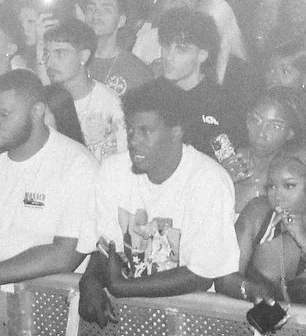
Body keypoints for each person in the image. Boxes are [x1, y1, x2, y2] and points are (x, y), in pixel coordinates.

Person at [79, 78, 242, 323]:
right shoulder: (113, 170)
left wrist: (121, 287)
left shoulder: (208, 180)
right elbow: (106, 247)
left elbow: (201, 274)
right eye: (131, 129)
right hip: (128, 314)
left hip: (191, 317)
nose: (133, 140)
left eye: (146, 131)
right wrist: (89, 280)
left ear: (176, 132)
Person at [0, 68, 99, 301]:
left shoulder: (78, 164)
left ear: (37, 112)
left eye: (3, 114)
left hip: (47, 304)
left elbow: (65, 255)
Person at [217, 146, 306, 318]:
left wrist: (305, 243)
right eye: (271, 186)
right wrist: (249, 289)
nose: (277, 195)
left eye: (289, 186)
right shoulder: (257, 213)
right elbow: (223, 278)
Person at [154, 6, 243, 171]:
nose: (169, 57)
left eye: (181, 50)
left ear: (202, 55)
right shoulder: (151, 96)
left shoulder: (221, 104)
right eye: (166, 46)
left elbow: (229, 163)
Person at [42, 16, 127, 164]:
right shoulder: (44, 100)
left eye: (60, 53)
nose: (50, 62)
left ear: (84, 56)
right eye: (47, 54)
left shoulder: (110, 105)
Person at [234, 90, 305, 213]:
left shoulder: (293, 176)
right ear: (247, 120)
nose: (261, 133)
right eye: (256, 120)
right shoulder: (226, 163)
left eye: (275, 126)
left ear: (290, 133)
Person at [84, 0, 154, 96]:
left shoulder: (136, 71)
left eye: (106, 10)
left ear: (121, 20)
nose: (96, 14)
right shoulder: (71, 58)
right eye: (91, 8)